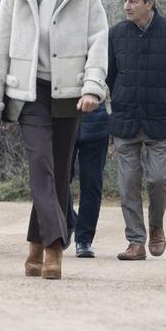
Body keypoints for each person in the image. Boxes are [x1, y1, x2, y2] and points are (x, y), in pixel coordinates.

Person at [0, 0, 108, 280]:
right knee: (40, 164)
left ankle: (36, 246)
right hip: (29, 93)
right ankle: (55, 244)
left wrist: (93, 88)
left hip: (70, 93)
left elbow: (99, 43)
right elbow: (0, 48)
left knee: (60, 172)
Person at [106, 0, 166, 260]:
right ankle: (135, 242)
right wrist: (120, 100)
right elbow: (109, 75)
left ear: (149, 3)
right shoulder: (116, 34)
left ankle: (156, 226)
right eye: (125, 1)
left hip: (161, 120)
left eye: (132, 1)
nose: (126, 6)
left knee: (158, 180)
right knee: (128, 183)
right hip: (125, 120)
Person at [68, 102, 110, 257]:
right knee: (59, 181)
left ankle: (84, 240)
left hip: (98, 124)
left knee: (92, 183)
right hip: (64, 121)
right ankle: (69, 219)